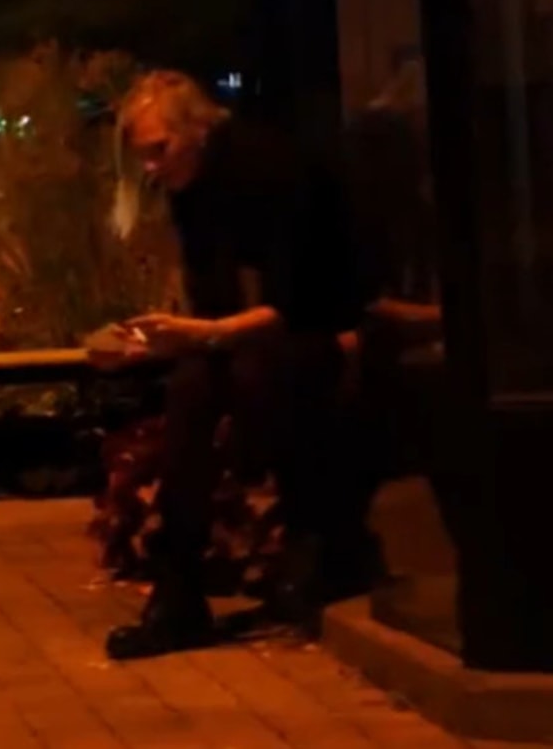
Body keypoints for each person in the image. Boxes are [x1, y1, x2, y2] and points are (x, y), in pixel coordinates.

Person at [95, 70, 371, 659]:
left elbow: (296, 304)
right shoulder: (192, 188)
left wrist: (206, 334)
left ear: (196, 130)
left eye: (159, 149)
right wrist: (171, 341)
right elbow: (215, 305)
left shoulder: (269, 170)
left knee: (255, 375)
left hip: (326, 328)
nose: (152, 168)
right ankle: (178, 590)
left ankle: (316, 544)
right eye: (144, 156)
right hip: (256, 332)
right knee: (190, 389)